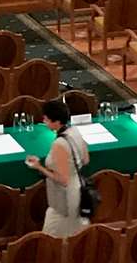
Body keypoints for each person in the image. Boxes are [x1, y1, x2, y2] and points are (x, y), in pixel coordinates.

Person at [25, 98, 89, 237]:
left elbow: (63, 180)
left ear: (56, 122)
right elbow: (85, 159)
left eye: (46, 119)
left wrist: (39, 167)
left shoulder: (59, 144)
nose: (44, 122)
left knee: (50, 240)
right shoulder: (75, 131)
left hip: (64, 200)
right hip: (77, 190)